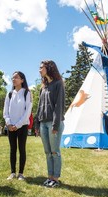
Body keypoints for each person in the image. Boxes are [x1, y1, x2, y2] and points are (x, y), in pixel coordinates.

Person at [35, 60, 65, 188]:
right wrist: (36, 125)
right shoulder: (43, 87)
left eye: (41, 67)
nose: (39, 70)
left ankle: (56, 178)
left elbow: (59, 105)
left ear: (49, 68)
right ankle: (50, 177)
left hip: (54, 123)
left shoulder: (58, 84)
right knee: (47, 152)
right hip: (43, 124)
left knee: (55, 152)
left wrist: (55, 125)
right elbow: (39, 106)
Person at [3, 71, 32, 181]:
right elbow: (5, 111)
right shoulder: (9, 94)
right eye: (13, 78)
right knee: (12, 149)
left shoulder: (27, 93)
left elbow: (27, 111)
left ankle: (21, 173)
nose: (14, 79)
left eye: (16, 77)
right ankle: (12, 172)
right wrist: (9, 123)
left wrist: (18, 125)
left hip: (22, 126)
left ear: (22, 80)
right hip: (11, 127)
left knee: (22, 149)